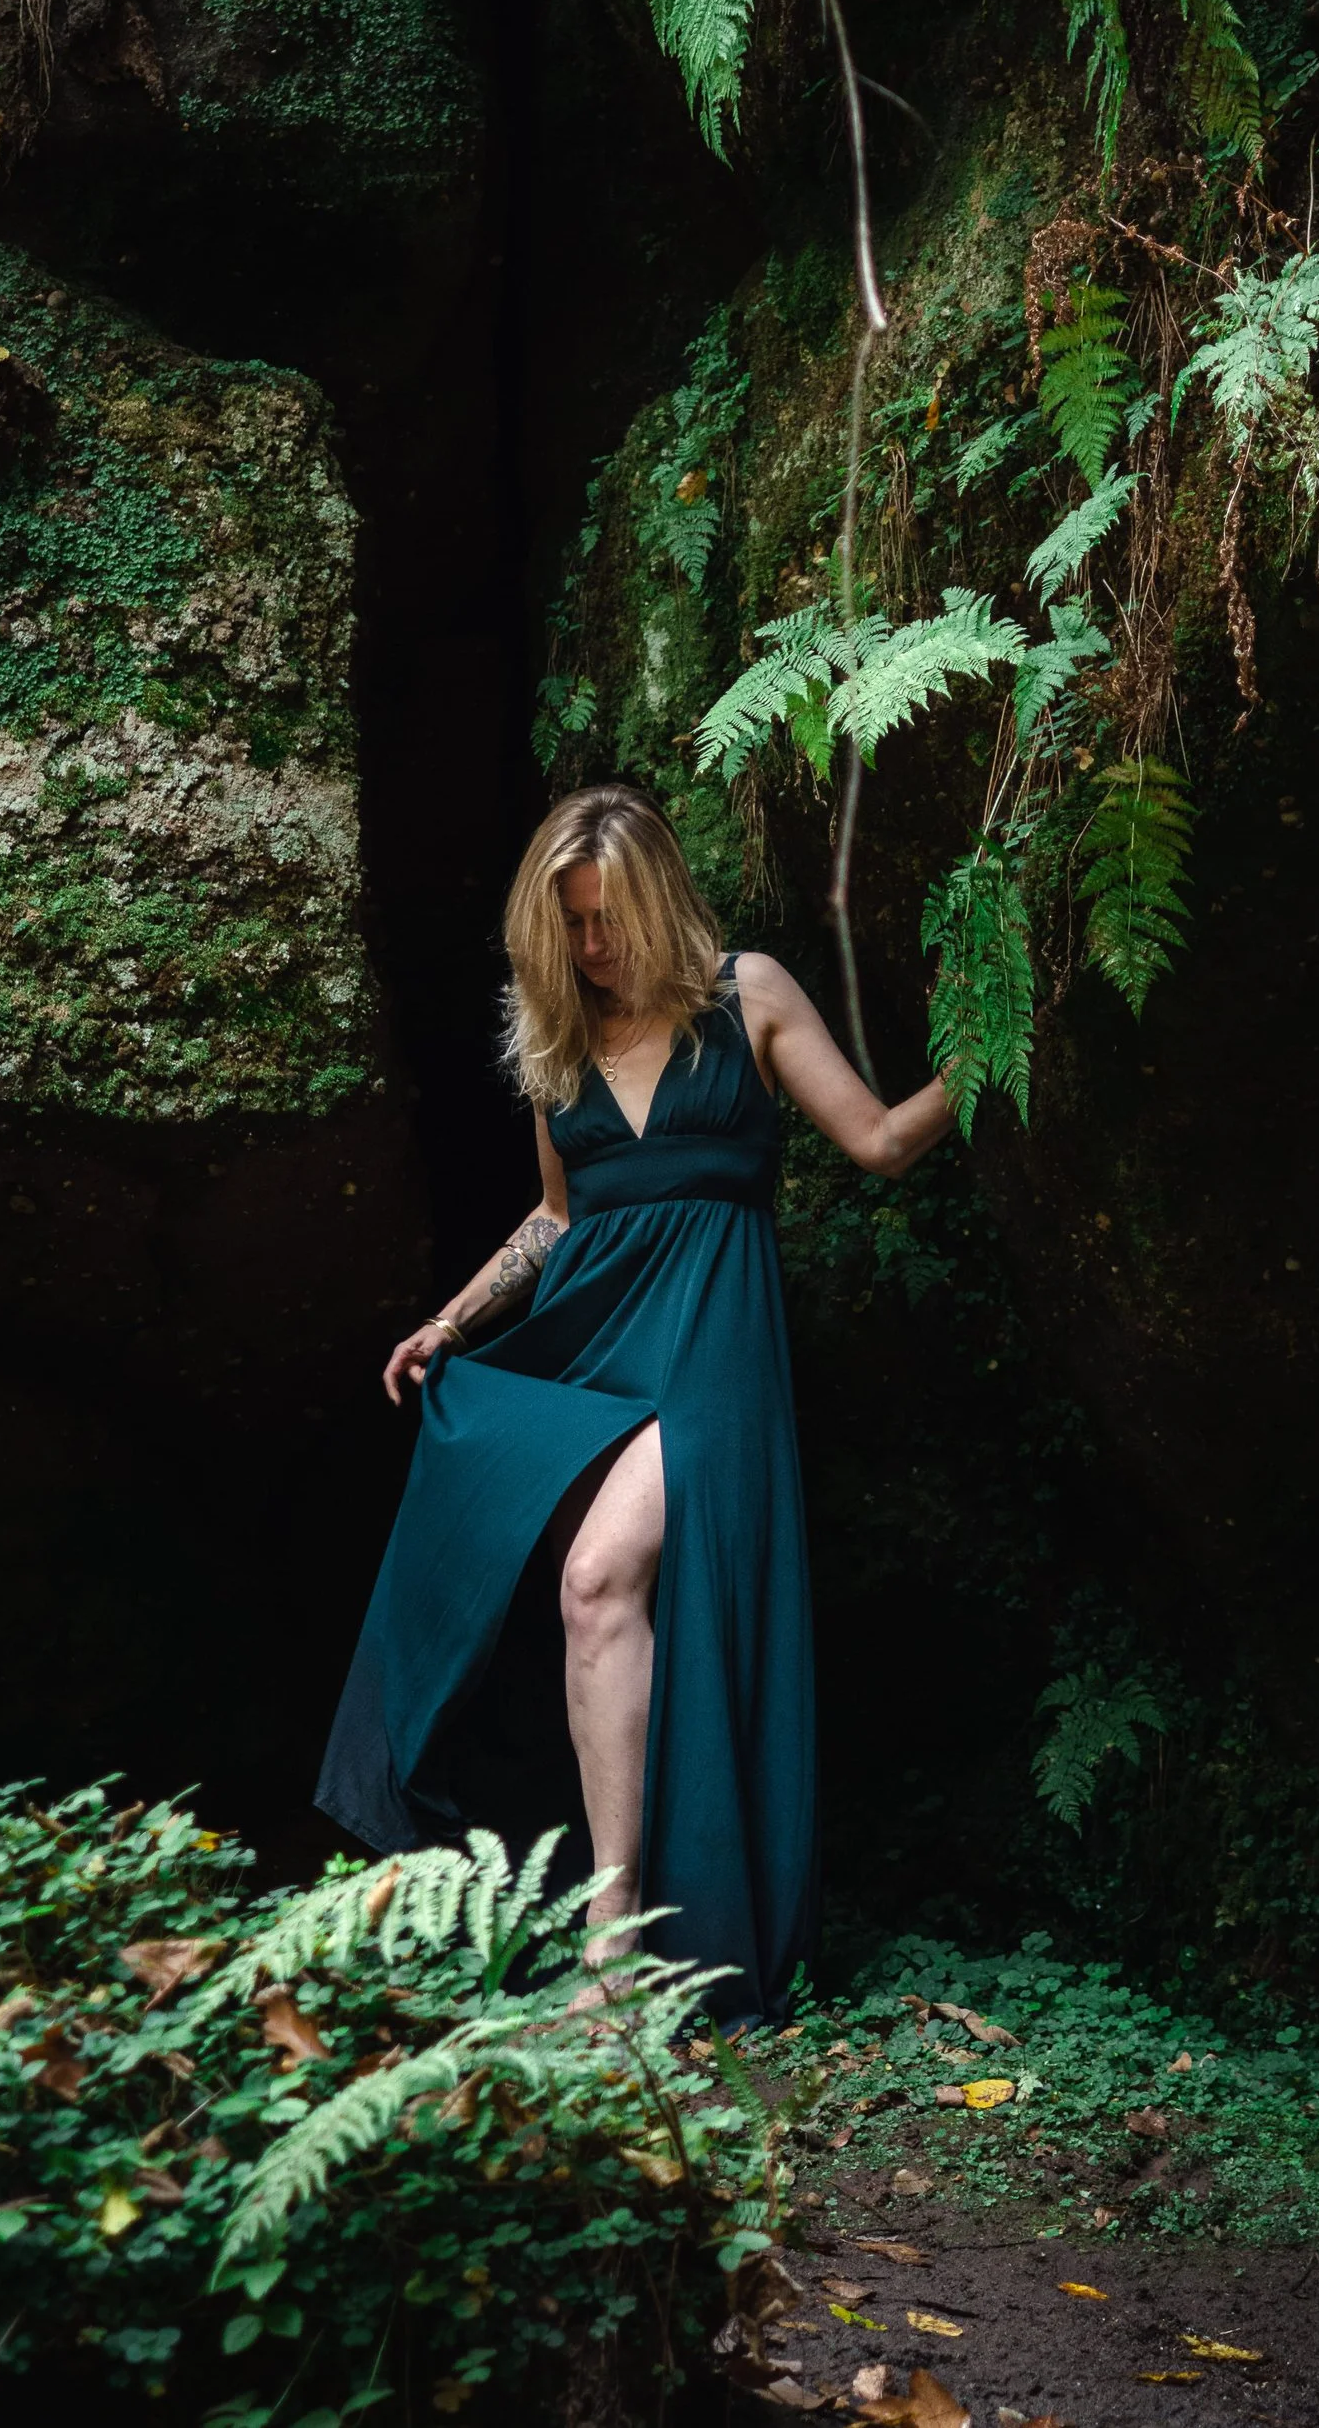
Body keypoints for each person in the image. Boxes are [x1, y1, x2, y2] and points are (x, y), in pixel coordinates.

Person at [316, 782, 953, 2020]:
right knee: (574, 1586)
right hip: (598, 1341)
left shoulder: (747, 994)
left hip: (714, 1344)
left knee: (596, 1579)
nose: (593, 947)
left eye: (605, 919)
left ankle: (619, 1947)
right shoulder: (559, 1040)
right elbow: (558, 1218)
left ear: (654, 896)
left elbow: (877, 1141)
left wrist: (993, 1057)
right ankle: (614, 1944)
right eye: (570, 927)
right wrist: (450, 1319)